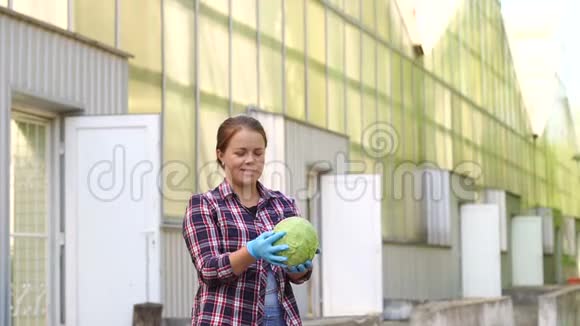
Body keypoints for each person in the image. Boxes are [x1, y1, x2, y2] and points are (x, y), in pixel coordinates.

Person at [182, 115, 315, 326]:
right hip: (228, 318)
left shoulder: (283, 204)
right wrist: (251, 252)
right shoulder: (205, 205)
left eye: (258, 153)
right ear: (221, 154)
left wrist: (300, 270)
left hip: (280, 318)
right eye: (240, 153)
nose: (250, 160)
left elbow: (292, 275)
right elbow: (208, 269)